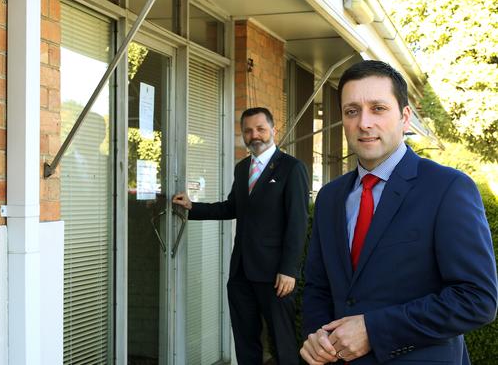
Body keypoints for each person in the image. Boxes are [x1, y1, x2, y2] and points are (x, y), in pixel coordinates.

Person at [300, 60, 498, 365]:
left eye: (378, 108)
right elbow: (318, 286)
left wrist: (373, 330)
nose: (364, 122)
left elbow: (476, 299)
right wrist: (316, 337)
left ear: (405, 118)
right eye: (352, 111)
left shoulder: (448, 188)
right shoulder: (330, 197)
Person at [173, 107, 309, 364]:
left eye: (260, 128)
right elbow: (232, 207)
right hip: (241, 273)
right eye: (248, 130)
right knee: (245, 343)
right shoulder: (242, 167)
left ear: (273, 130)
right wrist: (193, 207)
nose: (254, 134)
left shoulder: (292, 168)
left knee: (283, 345)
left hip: (276, 277)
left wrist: (289, 269)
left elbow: (298, 222)